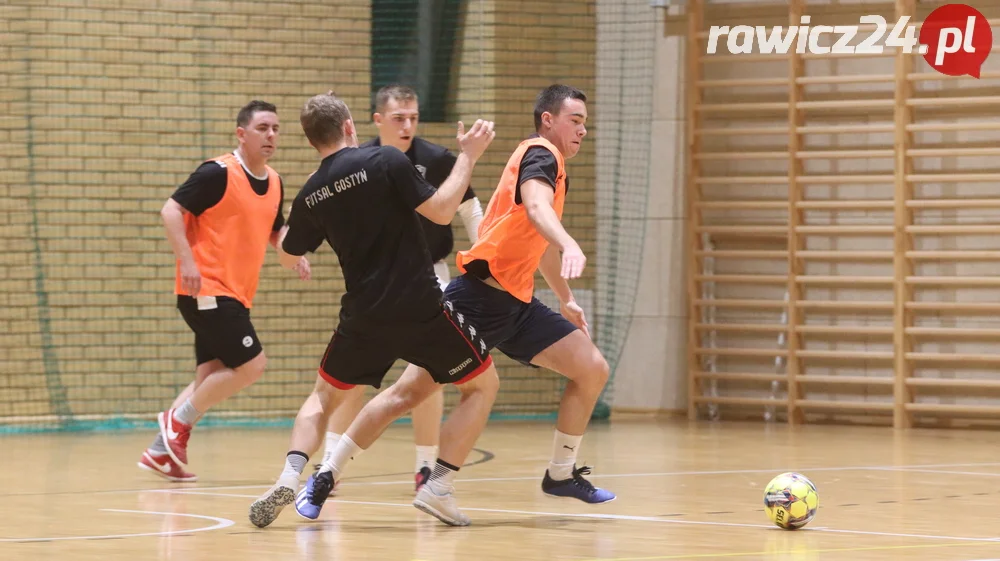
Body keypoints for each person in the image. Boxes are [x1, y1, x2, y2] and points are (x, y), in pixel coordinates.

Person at [248, 92, 497, 528]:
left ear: (310, 141)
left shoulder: (311, 192)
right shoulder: (385, 160)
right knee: (481, 385)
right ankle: (437, 485)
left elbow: (288, 251)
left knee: (322, 399)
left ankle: (291, 474)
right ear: (349, 127)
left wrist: (297, 258)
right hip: (420, 308)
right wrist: (468, 156)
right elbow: (441, 212)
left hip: (363, 317)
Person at [447, 84, 615, 503]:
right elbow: (537, 208)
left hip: (517, 304)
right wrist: (571, 243)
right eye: (575, 121)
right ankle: (328, 470)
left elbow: (537, 245)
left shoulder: (554, 166)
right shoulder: (542, 154)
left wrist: (565, 297)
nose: (582, 131)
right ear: (548, 120)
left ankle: (560, 474)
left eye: (585, 124)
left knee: (592, 368)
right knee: (410, 392)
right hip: (478, 297)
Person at [317, 84, 484, 492]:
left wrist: (483, 259)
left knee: (428, 374)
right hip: (375, 281)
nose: (408, 125)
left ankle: (425, 466)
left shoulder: (437, 159)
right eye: (398, 118)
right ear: (377, 120)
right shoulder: (359, 161)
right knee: (354, 377)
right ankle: (328, 465)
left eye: (413, 117)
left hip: (430, 277)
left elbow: (469, 208)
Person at [137, 100, 310, 482]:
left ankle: (159, 452)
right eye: (263, 128)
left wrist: (291, 251)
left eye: (276, 128)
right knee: (252, 366)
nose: (271, 135)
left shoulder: (275, 181)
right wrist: (189, 263)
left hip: (236, 293)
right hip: (206, 289)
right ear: (241, 134)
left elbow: (273, 229)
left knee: (210, 375)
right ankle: (176, 422)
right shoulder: (217, 173)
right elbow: (170, 211)